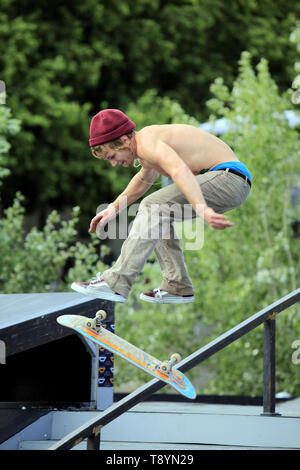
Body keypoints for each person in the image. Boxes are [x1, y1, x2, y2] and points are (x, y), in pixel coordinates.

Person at [71, 109, 251, 304]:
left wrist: (202, 208)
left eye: (112, 156)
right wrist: (113, 208)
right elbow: (143, 180)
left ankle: (116, 281)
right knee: (158, 211)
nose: (114, 164)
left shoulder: (147, 142)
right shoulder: (146, 147)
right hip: (231, 181)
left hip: (228, 178)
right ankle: (177, 286)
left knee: (152, 206)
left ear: (124, 140)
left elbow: (179, 170)